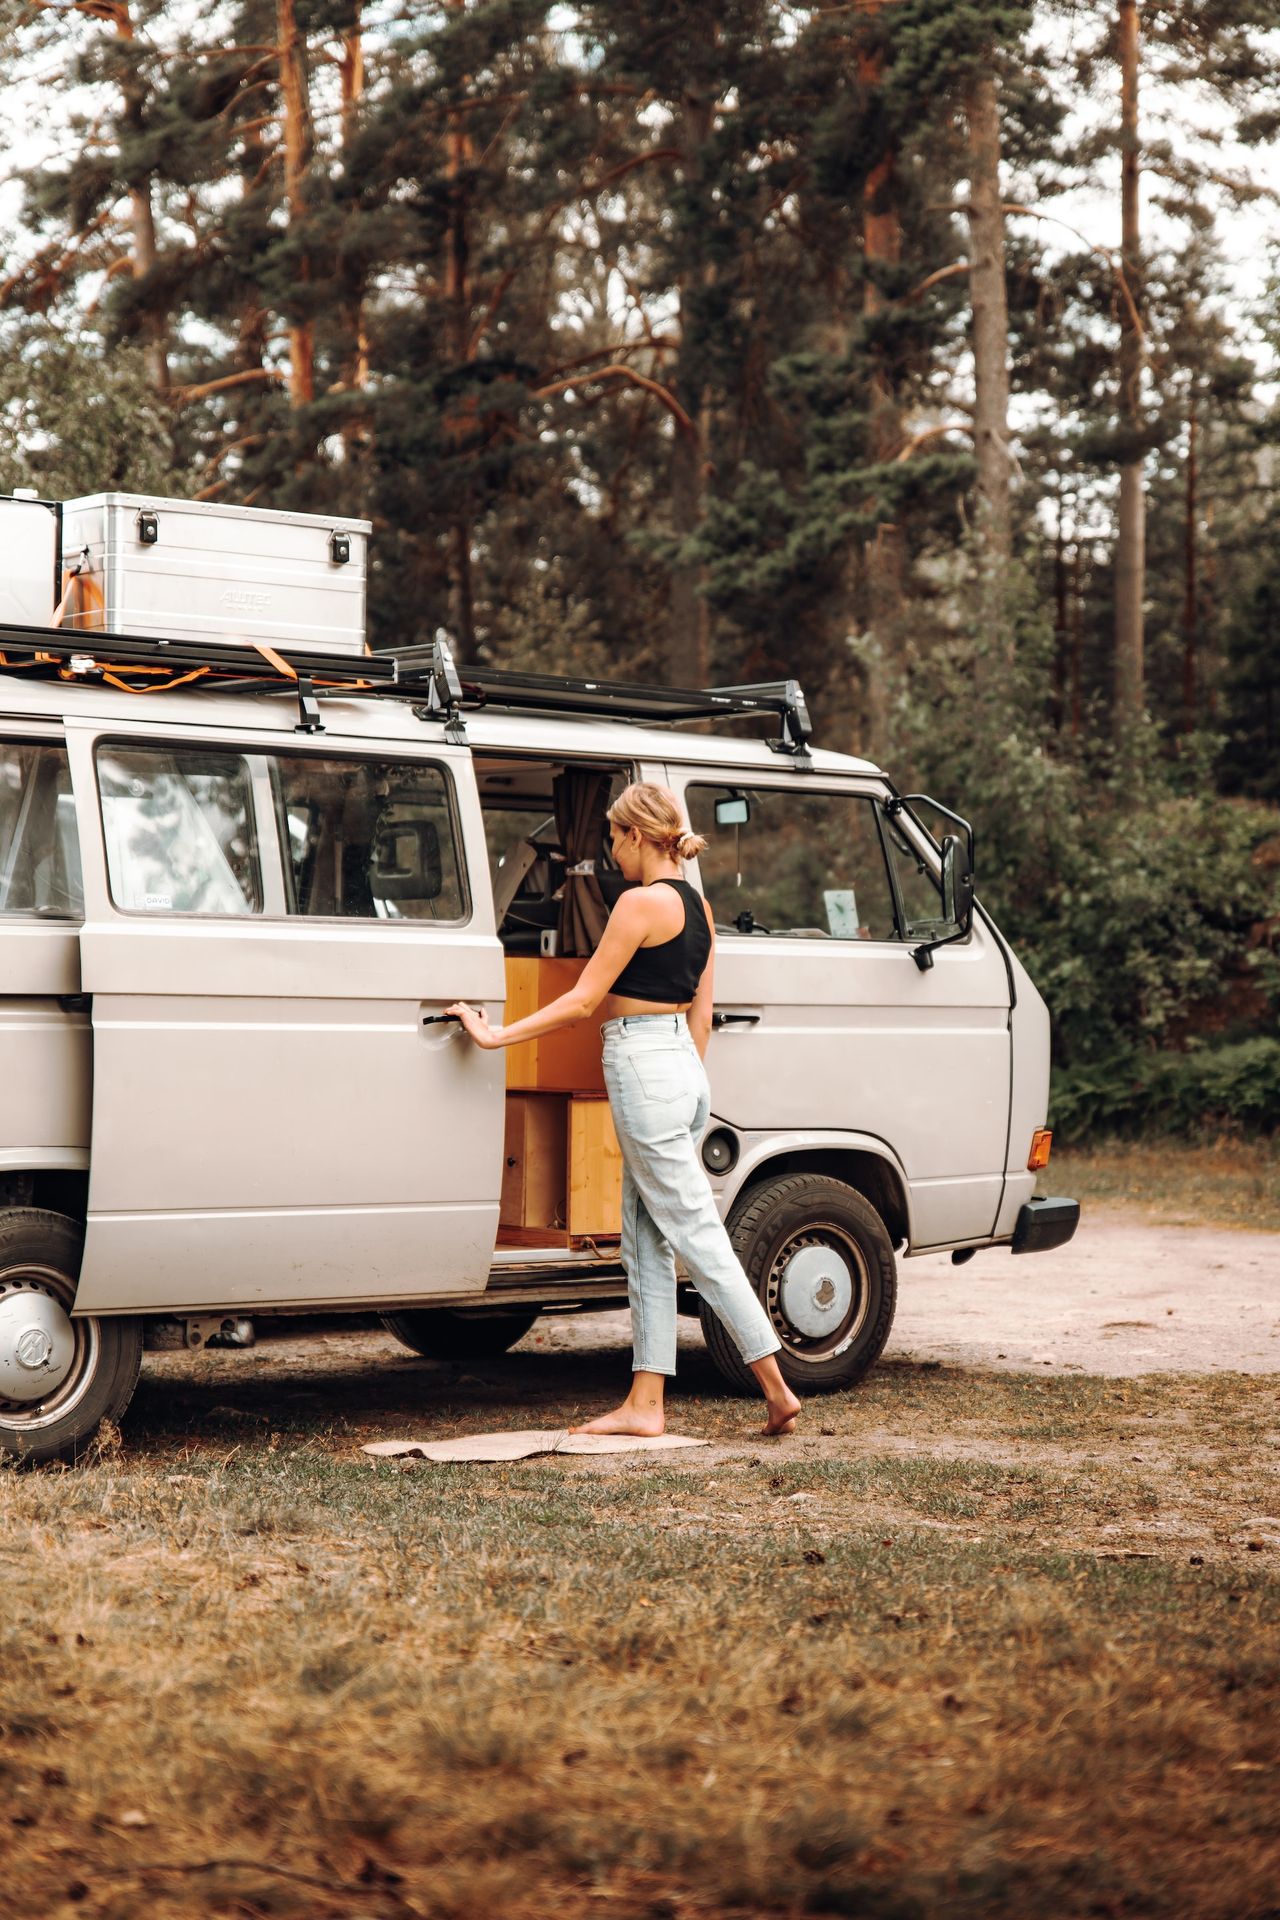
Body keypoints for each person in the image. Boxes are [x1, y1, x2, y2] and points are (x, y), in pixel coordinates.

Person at [446, 782, 802, 1438]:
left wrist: (496, 1034)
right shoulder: (698, 907)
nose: (610, 852)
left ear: (637, 835)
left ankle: (777, 1387)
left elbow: (584, 1000)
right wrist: (684, 1083)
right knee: (642, 1238)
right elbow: (703, 1017)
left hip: (644, 1068)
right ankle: (646, 1403)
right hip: (684, 1073)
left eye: (613, 838)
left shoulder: (639, 905)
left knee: (696, 1234)